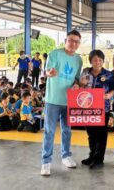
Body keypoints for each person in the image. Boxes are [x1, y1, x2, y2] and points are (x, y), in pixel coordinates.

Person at [41, 30, 83, 176]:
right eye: (71, 40)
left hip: (69, 101)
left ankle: (66, 156)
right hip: (53, 100)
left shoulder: (78, 59)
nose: (73, 43)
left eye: (76, 41)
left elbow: (77, 78)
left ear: (79, 44)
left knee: (67, 131)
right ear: (66, 40)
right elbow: (47, 71)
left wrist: (77, 84)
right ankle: (46, 162)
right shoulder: (55, 54)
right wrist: (50, 73)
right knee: (49, 131)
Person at [79, 50, 114, 169]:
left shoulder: (109, 74)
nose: (97, 62)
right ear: (90, 61)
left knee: (101, 134)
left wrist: (109, 95)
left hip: (103, 108)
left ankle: (99, 159)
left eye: (100, 60)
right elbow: (79, 88)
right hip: (87, 108)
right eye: (94, 59)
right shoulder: (85, 72)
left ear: (103, 61)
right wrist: (81, 84)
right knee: (91, 134)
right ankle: (92, 155)